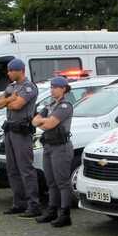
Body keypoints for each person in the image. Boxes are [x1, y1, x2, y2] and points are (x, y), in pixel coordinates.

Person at [0, 58, 40, 217]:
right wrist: (9, 99)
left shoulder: (28, 87)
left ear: (20, 70)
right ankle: (18, 203)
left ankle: (33, 205)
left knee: (25, 169)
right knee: (12, 169)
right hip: (10, 131)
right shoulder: (12, 87)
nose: (8, 73)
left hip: (22, 131)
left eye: (10, 70)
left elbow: (17, 105)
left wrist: (9, 101)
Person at [32, 76, 74, 227]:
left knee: (62, 182)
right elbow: (34, 120)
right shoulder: (50, 105)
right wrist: (44, 122)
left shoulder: (65, 106)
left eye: (55, 87)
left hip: (60, 147)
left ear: (63, 89)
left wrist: (43, 122)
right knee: (50, 181)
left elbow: (49, 124)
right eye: (51, 87)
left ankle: (65, 214)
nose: (52, 90)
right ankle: (52, 211)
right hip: (49, 146)